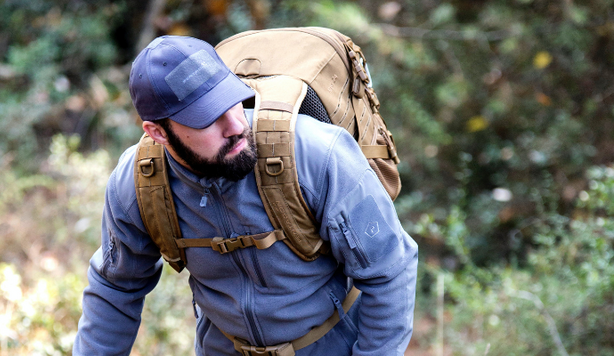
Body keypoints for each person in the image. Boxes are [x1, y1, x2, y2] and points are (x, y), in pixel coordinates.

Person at [74, 35, 418, 356]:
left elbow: (389, 269)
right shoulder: (138, 183)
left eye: (232, 100)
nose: (235, 125)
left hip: (334, 344)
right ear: (158, 132)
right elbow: (115, 289)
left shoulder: (316, 154)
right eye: (206, 118)